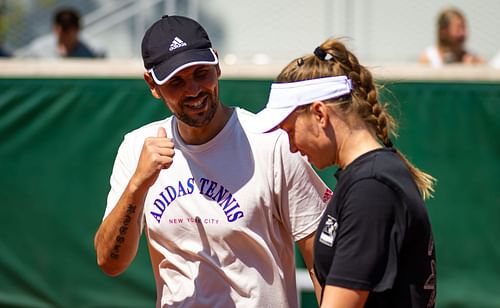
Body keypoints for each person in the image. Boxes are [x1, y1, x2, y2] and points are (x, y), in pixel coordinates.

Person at [94, 15, 332, 307]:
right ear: (152, 85)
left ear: (217, 65)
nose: (193, 90)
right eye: (176, 81)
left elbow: (323, 262)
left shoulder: (271, 143)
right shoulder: (137, 148)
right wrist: (137, 187)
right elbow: (109, 262)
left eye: (201, 73)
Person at [252, 39, 437, 307]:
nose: (291, 146)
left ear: (319, 114)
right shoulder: (365, 177)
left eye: (290, 130)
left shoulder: (371, 187)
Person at [17, 7, 104, 58]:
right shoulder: (38, 50)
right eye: (61, 32)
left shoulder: (94, 51)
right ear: (55, 29)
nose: (63, 37)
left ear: (77, 30)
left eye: (67, 32)